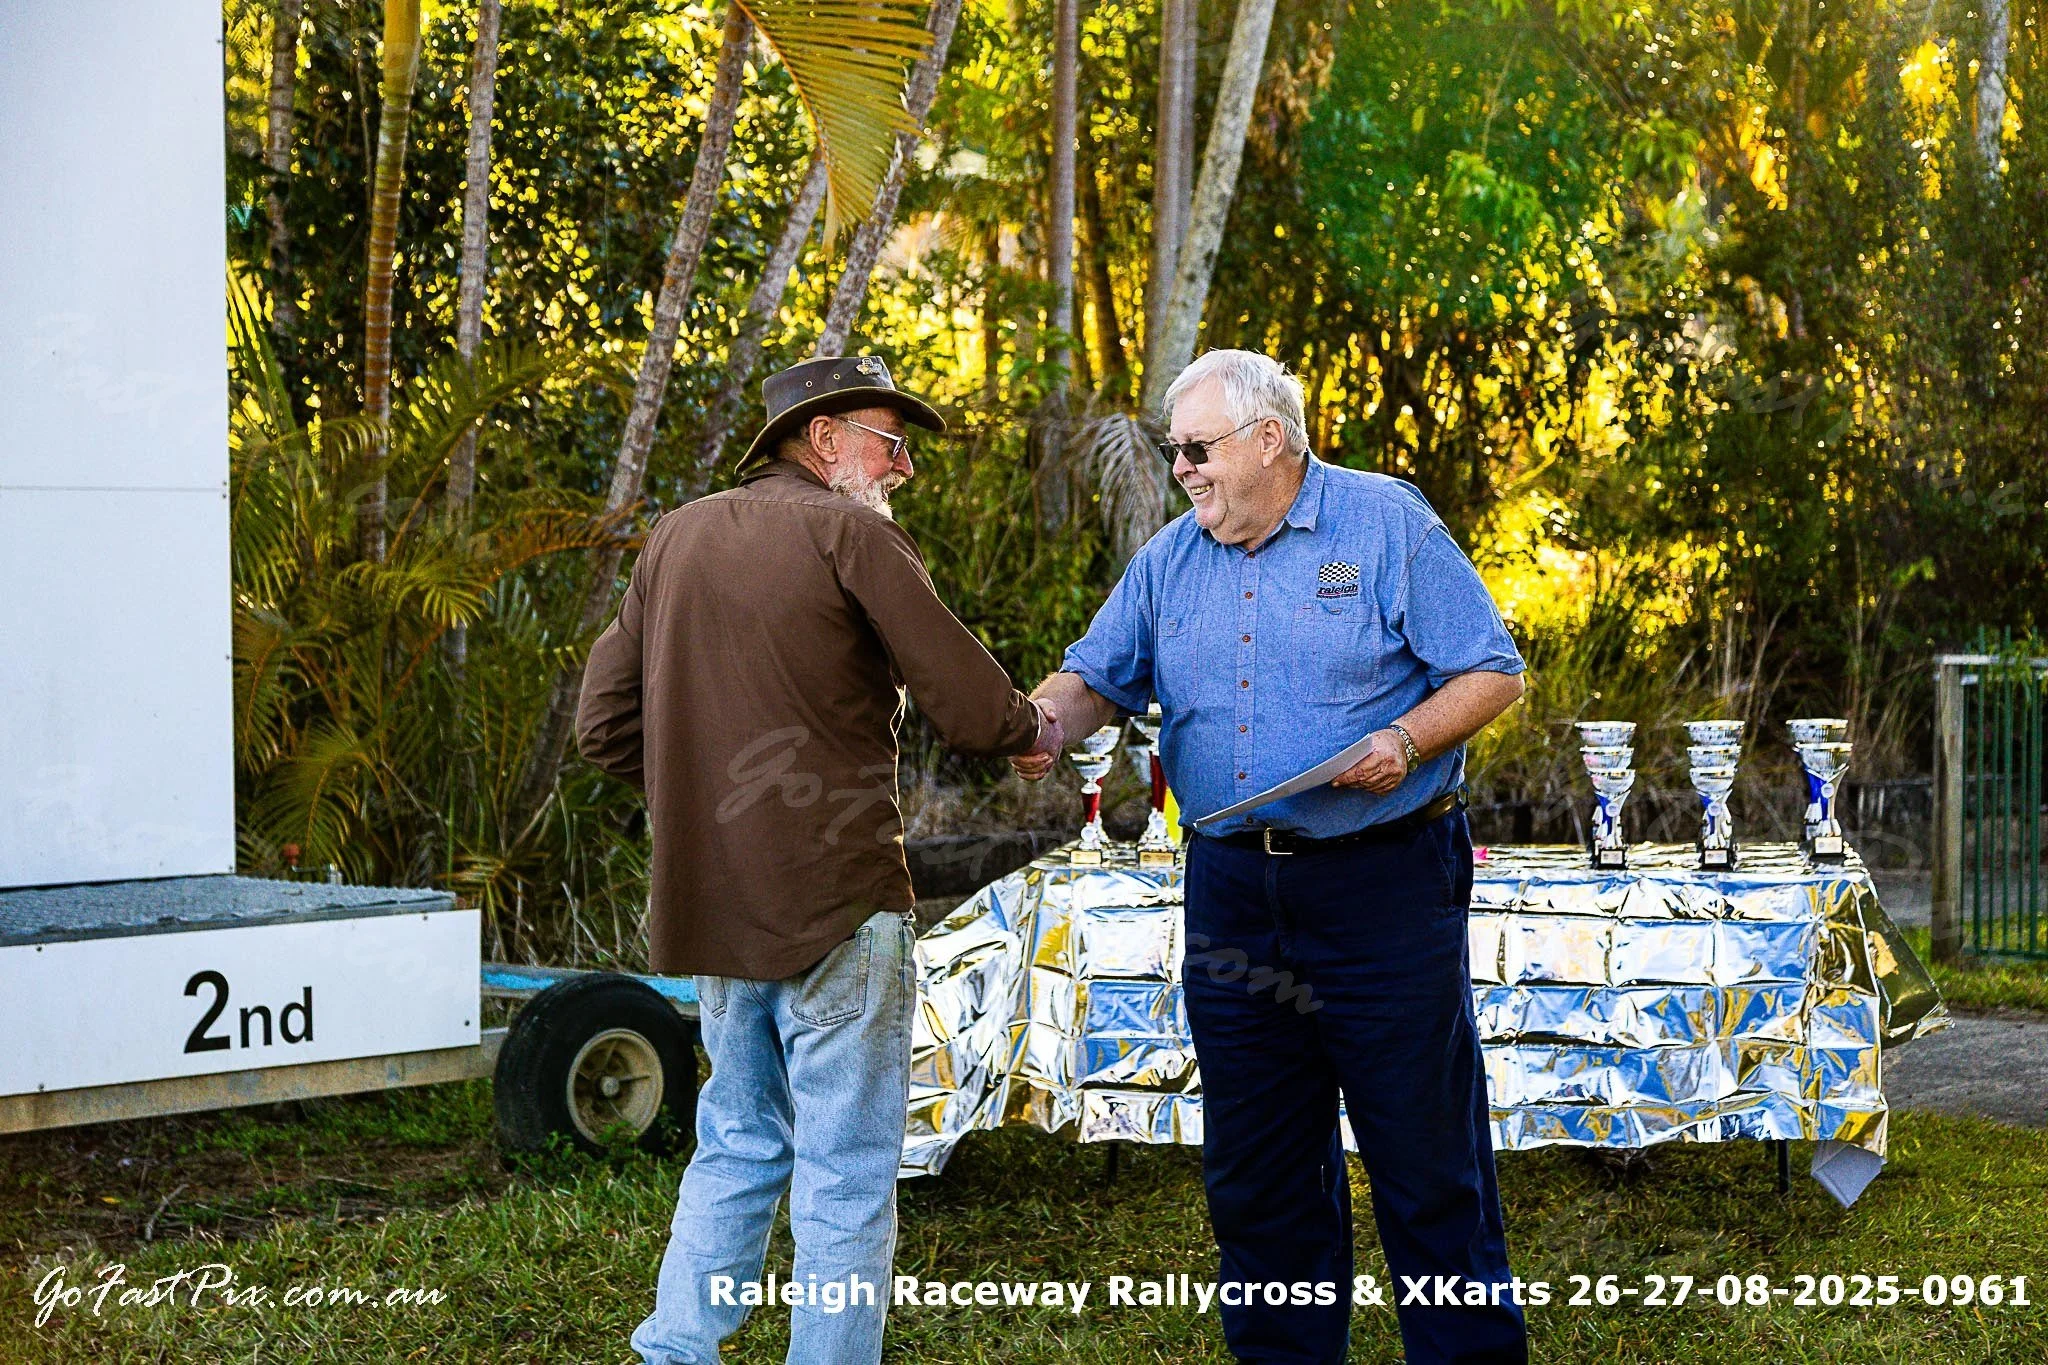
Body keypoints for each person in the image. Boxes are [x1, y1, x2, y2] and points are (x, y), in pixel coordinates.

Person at [1015, 348, 1530, 1364]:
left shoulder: (1383, 523)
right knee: (1257, 1168)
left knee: (1423, 1159)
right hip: (1232, 896)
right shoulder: (1167, 559)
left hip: (1381, 884)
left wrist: (1407, 740)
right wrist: (1029, 723)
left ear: (1268, 439)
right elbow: (1090, 680)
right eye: (1174, 452)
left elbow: (1490, 671)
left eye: (1197, 449)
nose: (1182, 470)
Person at [578, 355, 1063, 1365]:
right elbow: (973, 710)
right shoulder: (850, 533)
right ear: (823, 436)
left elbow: (601, 726)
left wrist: (713, 811)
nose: (902, 469)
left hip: (718, 910)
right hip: (841, 904)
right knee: (843, 1170)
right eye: (890, 443)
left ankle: (673, 1350)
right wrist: (1031, 728)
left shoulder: (674, 537)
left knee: (736, 1140)